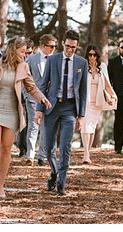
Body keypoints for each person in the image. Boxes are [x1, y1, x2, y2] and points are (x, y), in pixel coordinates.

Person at [0, 37, 52, 198]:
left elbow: (31, 87)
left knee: (6, 149)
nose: (25, 55)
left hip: (12, 112)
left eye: (26, 52)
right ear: (13, 50)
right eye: (22, 52)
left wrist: (42, 98)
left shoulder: (23, 67)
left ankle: (0, 186)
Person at [35, 29, 89, 196]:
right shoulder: (52, 60)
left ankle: (61, 183)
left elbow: (83, 91)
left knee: (65, 147)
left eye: (73, 47)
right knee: (49, 147)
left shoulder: (82, 63)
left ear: (77, 46)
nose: (69, 50)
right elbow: (43, 85)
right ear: (62, 44)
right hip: (52, 106)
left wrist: (81, 115)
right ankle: (54, 171)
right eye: (67, 46)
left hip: (70, 109)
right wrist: (39, 109)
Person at [24, 34, 56, 165]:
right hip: (33, 98)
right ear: (43, 46)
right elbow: (24, 79)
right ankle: (30, 156)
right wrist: (26, 95)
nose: (53, 49)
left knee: (46, 127)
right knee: (33, 126)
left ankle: (41, 156)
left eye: (55, 46)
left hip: (50, 100)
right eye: (51, 46)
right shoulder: (31, 59)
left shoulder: (56, 59)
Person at [81, 45, 115, 164]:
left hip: (98, 101)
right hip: (86, 101)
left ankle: (88, 152)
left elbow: (106, 84)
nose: (92, 57)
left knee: (92, 127)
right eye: (90, 55)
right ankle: (86, 154)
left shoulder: (102, 67)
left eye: (94, 55)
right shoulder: (83, 66)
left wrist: (111, 96)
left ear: (97, 56)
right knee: (85, 126)